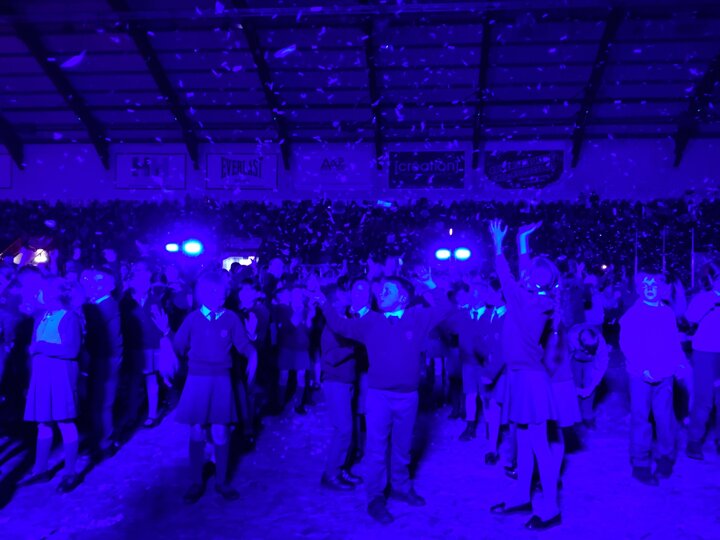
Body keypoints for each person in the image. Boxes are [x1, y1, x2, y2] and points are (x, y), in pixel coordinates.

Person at [319, 268, 453, 525]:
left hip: (408, 397)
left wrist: (429, 282)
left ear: (402, 297)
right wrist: (324, 303)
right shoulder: (371, 321)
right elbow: (340, 326)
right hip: (378, 397)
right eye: (381, 291)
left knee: (402, 446)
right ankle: (375, 498)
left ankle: (401, 488)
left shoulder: (417, 316)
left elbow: (445, 308)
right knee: (376, 448)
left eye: (388, 291)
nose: (381, 294)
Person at [488, 220, 562, 531]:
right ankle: (521, 495)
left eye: (530, 275)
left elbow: (507, 276)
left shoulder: (528, 302)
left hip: (529, 381)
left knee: (539, 445)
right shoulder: (536, 300)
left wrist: (498, 245)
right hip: (520, 377)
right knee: (521, 438)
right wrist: (521, 242)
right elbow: (522, 274)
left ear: (537, 281)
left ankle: (551, 508)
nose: (525, 275)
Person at [171, 271, 258, 504]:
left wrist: (253, 353)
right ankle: (196, 481)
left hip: (221, 380)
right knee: (197, 429)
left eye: (221, 292)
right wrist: (166, 339)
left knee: (221, 431)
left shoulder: (231, 318)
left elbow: (242, 344)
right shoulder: (192, 319)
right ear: (201, 294)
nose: (218, 296)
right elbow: (178, 345)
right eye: (212, 291)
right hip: (197, 380)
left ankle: (222, 481)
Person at [619, 272, 687, 485]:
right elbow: (627, 345)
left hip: (664, 374)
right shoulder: (633, 315)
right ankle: (640, 463)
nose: (650, 288)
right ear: (639, 289)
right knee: (641, 418)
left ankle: (665, 458)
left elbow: (673, 341)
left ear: (662, 289)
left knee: (664, 418)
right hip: (640, 376)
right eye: (645, 285)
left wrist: (678, 362)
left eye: (654, 285)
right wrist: (643, 368)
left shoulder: (667, 312)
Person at [20, 276, 84, 493]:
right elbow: (32, 349)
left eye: (47, 289)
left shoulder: (70, 317)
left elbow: (71, 351)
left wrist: (41, 346)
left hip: (61, 374)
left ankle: (70, 472)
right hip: (41, 374)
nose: (42, 292)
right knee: (43, 423)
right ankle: (40, 469)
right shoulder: (41, 316)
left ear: (59, 293)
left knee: (65, 422)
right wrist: (30, 377)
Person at [81, 267, 123, 461]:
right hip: (101, 359)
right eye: (92, 280)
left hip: (105, 360)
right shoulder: (99, 304)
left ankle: (106, 442)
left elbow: (99, 336)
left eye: (98, 281)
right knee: (97, 403)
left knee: (102, 404)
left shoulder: (105, 306)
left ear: (108, 286)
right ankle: (100, 439)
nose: (93, 285)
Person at [684, 261, 720, 460]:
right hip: (706, 351)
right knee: (704, 398)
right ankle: (694, 441)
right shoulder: (703, 298)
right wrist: (714, 297)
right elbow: (691, 318)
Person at [568, 324, 608, 429]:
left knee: (589, 383)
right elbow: (564, 363)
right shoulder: (571, 337)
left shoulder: (600, 343)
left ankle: (588, 417)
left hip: (591, 362)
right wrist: (571, 386)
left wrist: (591, 387)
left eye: (590, 350)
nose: (586, 352)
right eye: (585, 349)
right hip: (574, 359)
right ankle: (574, 417)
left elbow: (601, 367)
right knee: (574, 385)